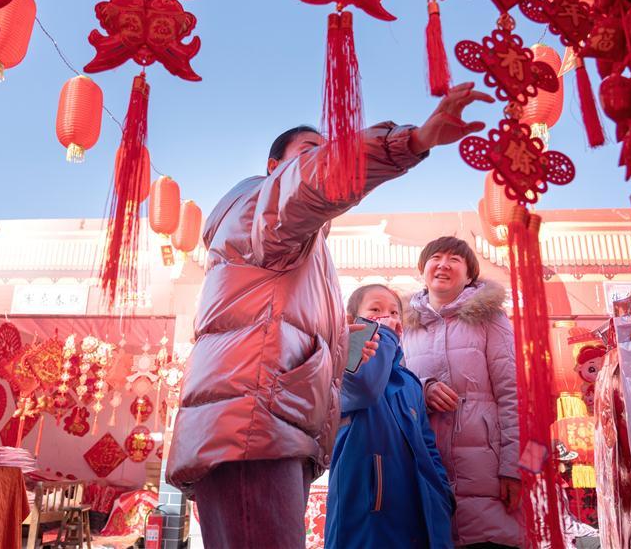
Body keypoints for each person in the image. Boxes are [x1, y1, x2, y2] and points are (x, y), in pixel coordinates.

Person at [164, 83, 495, 549]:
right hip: (253, 424)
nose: (323, 161)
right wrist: (412, 141)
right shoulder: (260, 207)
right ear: (275, 169)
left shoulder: (305, 252)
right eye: (310, 154)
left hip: (270, 427)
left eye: (393, 311)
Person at [403, 236, 522, 549]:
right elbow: (396, 389)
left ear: (470, 275)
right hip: (426, 468)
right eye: (436, 257)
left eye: (455, 259)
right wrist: (423, 390)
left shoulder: (491, 318)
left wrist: (513, 467)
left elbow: (512, 393)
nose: (443, 264)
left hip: (486, 472)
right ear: (423, 269)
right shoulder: (405, 327)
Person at [325, 284, 454, 549]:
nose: (387, 318)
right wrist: (378, 335)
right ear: (352, 320)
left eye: (394, 312)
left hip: (417, 510)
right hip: (367, 511)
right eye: (375, 310)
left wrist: (440, 492)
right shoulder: (340, 364)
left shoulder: (409, 382)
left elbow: (427, 445)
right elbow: (364, 387)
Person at [551, 441, 600, 549]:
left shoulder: (556, 485)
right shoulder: (550, 489)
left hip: (567, 534)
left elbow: (568, 519)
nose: (568, 465)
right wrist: (593, 532)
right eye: (565, 462)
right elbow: (566, 526)